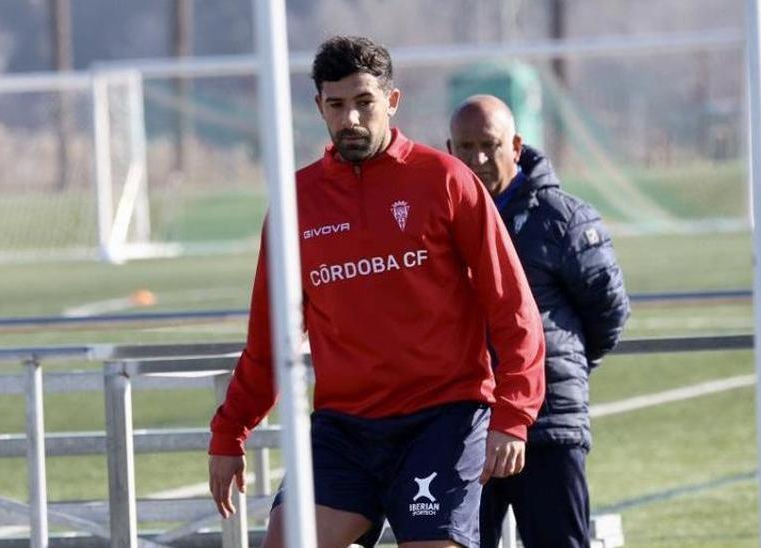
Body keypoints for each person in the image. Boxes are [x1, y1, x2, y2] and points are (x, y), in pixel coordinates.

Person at [207, 37, 547, 548]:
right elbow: (271, 338)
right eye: (337, 105)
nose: (351, 119)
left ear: (391, 101)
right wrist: (230, 431)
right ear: (319, 106)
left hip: (443, 419)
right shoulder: (296, 203)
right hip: (345, 429)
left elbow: (512, 306)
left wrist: (514, 412)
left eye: (364, 102)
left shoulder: (446, 180)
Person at [447, 95, 631, 548]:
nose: (478, 159)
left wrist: (554, 370)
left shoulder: (562, 219)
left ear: (516, 145)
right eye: (466, 147)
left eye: (489, 145)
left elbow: (608, 312)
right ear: (450, 149)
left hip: (546, 425)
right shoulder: (438, 220)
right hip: (462, 424)